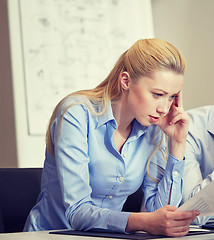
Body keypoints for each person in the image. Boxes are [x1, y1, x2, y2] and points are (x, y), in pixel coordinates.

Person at [23, 38, 200, 237]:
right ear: (126, 81)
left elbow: (161, 215)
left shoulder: (152, 128)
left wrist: (177, 144)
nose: (164, 108)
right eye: (157, 94)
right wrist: (142, 221)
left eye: (172, 97)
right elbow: (77, 213)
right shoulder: (76, 114)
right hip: (51, 235)